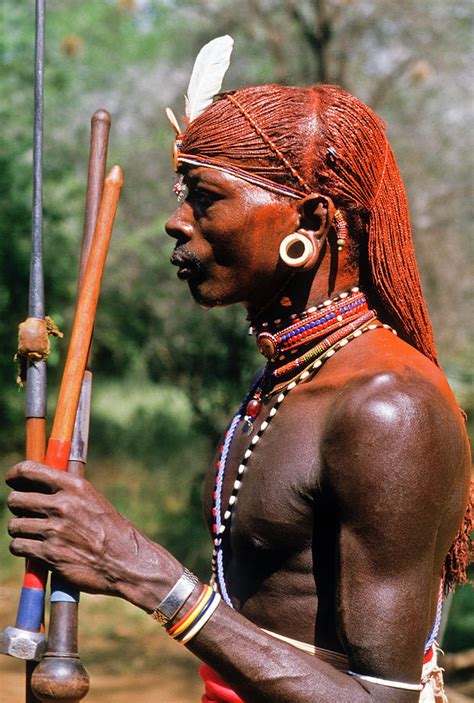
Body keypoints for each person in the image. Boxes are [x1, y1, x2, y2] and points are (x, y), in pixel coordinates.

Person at [6, 40, 471, 703]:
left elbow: (380, 700)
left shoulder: (387, 408)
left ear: (308, 220)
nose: (176, 222)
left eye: (205, 198)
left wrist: (148, 576)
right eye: (182, 195)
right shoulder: (288, 378)